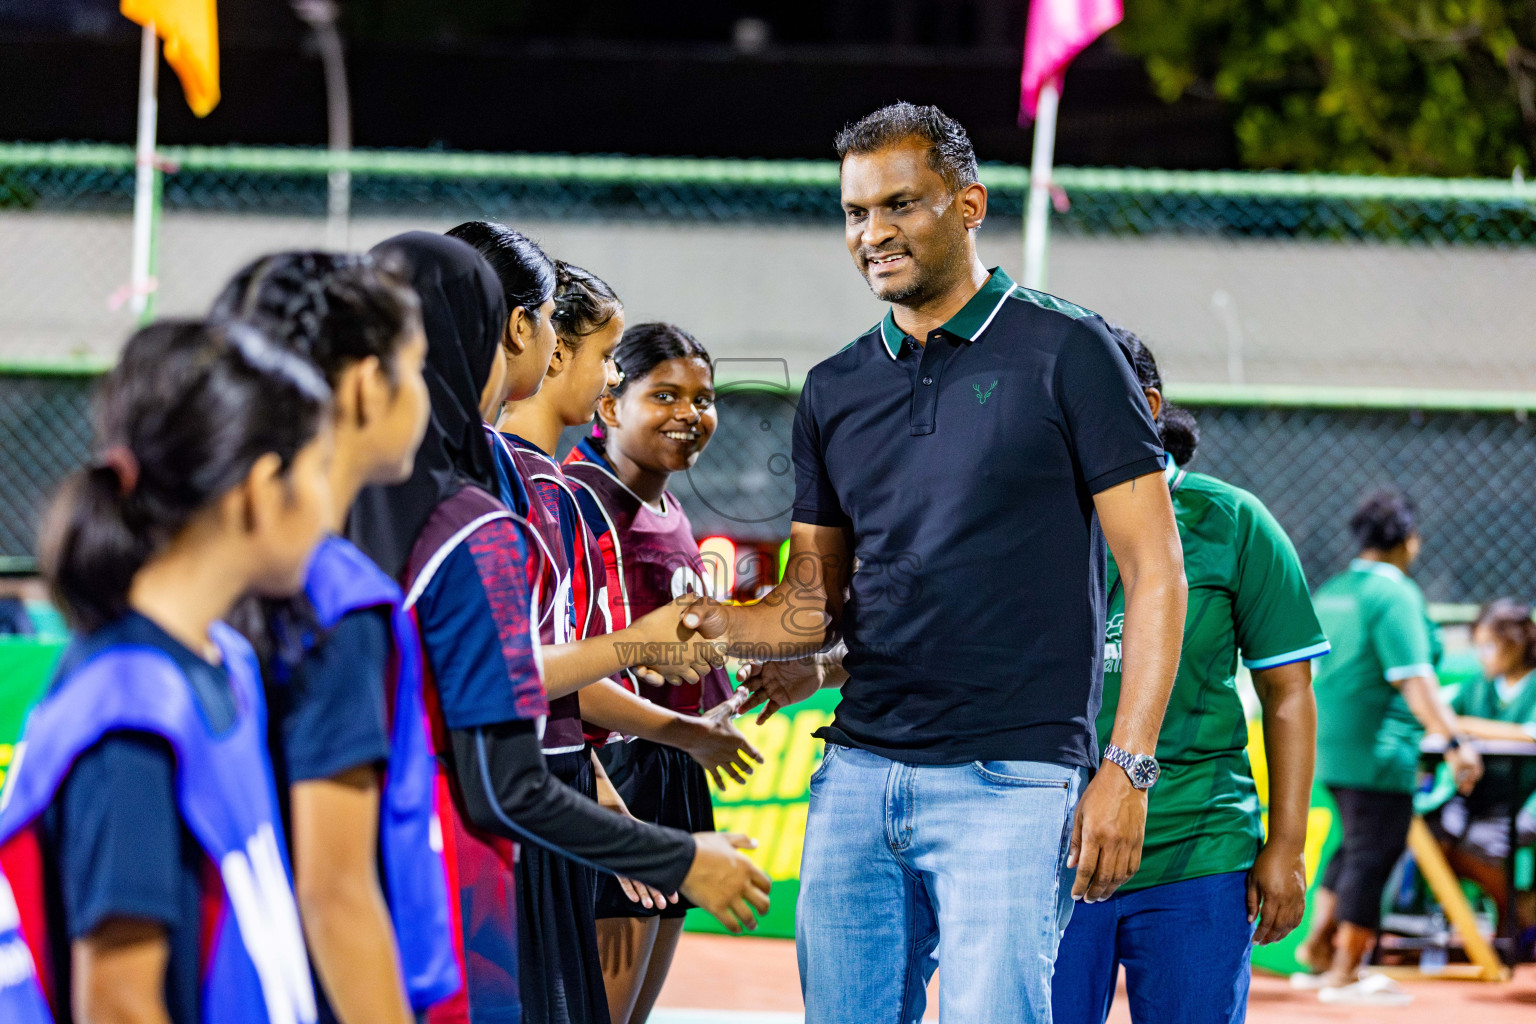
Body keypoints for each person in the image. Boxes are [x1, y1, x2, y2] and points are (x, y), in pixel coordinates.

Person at [704, 102, 1189, 1022]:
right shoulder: (834, 388)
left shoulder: (1070, 351)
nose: (872, 234)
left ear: (969, 205)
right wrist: (693, 630)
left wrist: (1128, 769)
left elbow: (1156, 568)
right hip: (856, 773)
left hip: (1013, 781)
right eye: (854, 213)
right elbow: (810, 608)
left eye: (900, 205)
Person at [344, 232, 770, 1024]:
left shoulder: (409, 492)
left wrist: (609, 792)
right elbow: (503, 745)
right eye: (550, 322)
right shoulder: (470, 519)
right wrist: (672, 852)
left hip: (441, 831)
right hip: (470, 845)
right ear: (512, 330)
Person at [0, 320, 334, 1024]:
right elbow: (119, 1002)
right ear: (261, 489)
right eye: (320, 472)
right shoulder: (128, 720)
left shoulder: (224, 663)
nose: (333, 507)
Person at [1050, 329, 1328, 1024]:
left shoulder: (1232, 522)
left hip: (1197, 856)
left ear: (1146, 405)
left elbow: (1288, 692)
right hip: (1049, 852)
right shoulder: (1036, 527)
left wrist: (1286, 847)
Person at [212, 251, 460, 1023]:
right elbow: (336, 891)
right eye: (417, 368)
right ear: (364, 385)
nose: (423, 393)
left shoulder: (221, 561)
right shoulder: (337, 599)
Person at [560, 321, 745, 1024]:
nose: (689, 415)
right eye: (664, 395)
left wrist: (722, 704)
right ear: (611, 404)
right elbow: (563, 673)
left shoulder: (664, 505)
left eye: (703, 398)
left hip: (669, 768)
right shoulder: (577, 501)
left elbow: (671, 649)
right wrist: (685, 733)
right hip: (613, 770)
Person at [1295, 489, 1484, 1006]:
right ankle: (1346, 972)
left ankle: (1316, 952)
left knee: (1354, 848)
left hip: (1331, 742)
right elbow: (1415, 680)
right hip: (1382, 748)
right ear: (1408, 541)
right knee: (1376, 854)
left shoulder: (1333, 589)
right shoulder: (1395, 594)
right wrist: (1455, 742)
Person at [1425, 599, 1536, 936]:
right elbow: (1436, 716)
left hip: (1525, 800)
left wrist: (1462, 725)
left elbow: (1528, 736)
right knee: (1430, 837)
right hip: (1476, 796)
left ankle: (1514, 915)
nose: (1481, 655)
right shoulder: (1477, 683)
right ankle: (1516, 908)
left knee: (1480, 845)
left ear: (1516, 643)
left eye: (1489, 646)